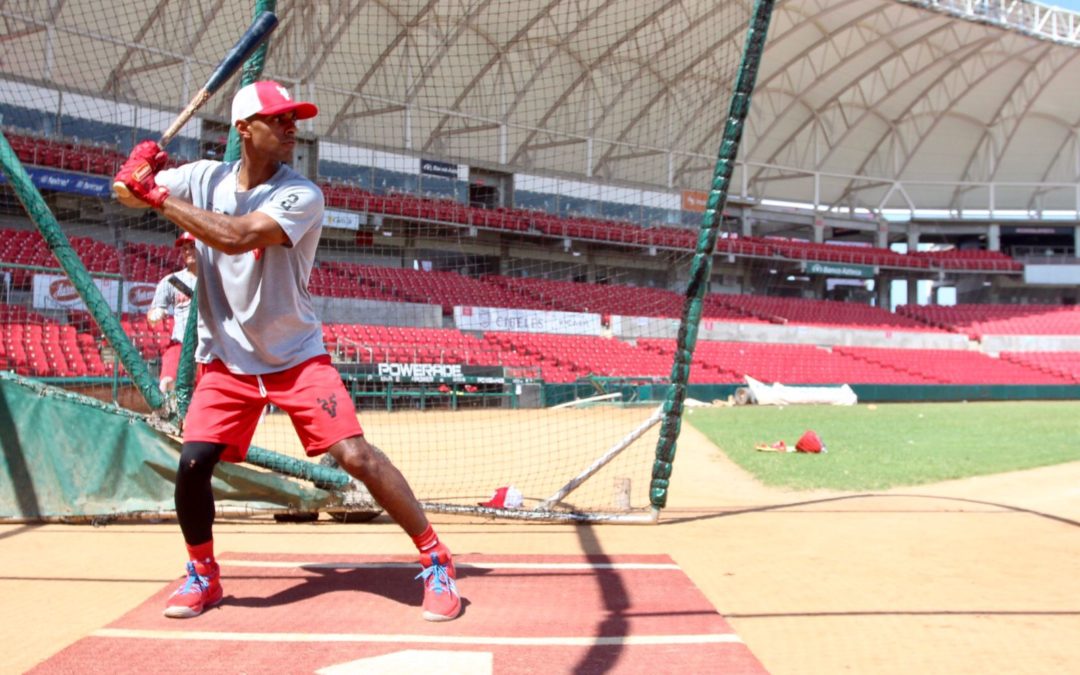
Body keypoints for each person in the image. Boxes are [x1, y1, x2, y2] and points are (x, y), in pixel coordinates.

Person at [112, 80, 461, 622]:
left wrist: (154, 192)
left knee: (355, 457)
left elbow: (235, 236)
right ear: (244, 130)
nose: (290, 127)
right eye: (277, 119)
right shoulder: (203, 177)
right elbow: (123, 193)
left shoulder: (300, 194)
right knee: (192, 464)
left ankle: (436, 558)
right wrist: (133, 172)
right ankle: (203, 575)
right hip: (227, 360)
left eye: (292, 119)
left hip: (294, 355)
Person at [147, 231, 198, 394]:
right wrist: (155, 315)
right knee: (167, 384)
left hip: (210, 349)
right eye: (184, 249)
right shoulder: (173, 281)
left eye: (192, 246)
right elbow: (153, 312)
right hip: (181, 344)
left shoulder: (215, 278)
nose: (188, 251)